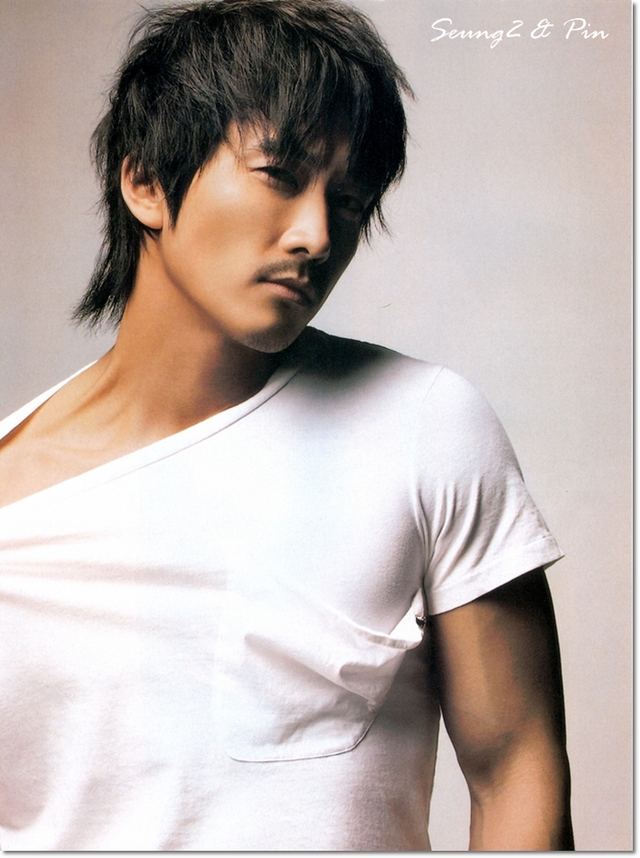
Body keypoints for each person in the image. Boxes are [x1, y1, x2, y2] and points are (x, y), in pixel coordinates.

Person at [0, 0, 573, 850]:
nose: (316, 235)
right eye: (278, 174)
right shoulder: (14, 500)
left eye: (349, 201)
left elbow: (517, 766)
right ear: (146, 183)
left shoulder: (423, 426)